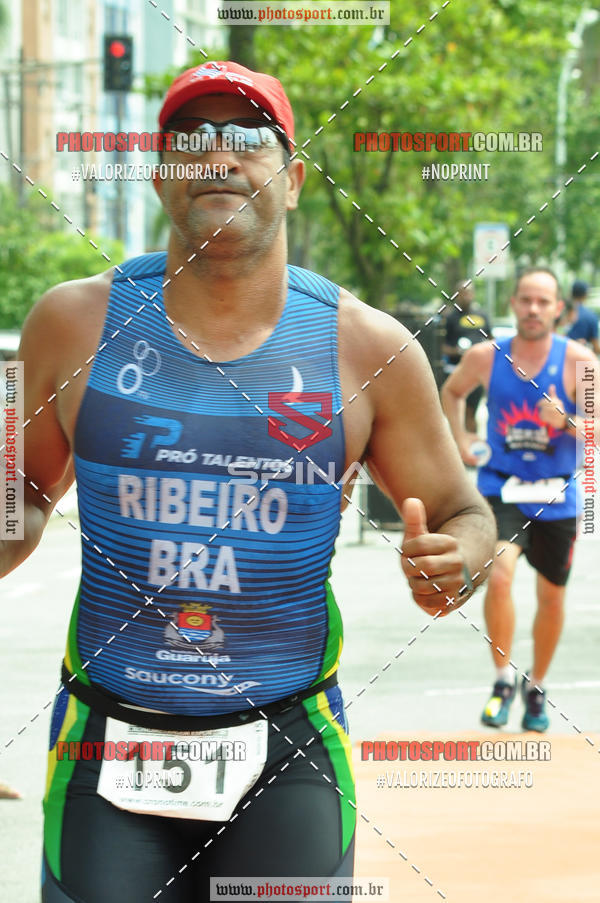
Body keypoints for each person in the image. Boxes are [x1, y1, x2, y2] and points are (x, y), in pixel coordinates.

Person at [1, 61, 495, 902]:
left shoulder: (369, 350)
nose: (217, 157)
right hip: (110, 740)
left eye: (245, 139)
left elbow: (465, 511)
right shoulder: (68, 322)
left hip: (289, 745)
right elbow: (25, 496)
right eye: (191, 140)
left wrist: (458, 562)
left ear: (294, 178)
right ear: (161, 175)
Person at [441, 267, 599, 733]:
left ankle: (537, 687)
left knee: (551, 597)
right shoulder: (487, 356)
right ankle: (502, 680)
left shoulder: (580, 363)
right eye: (526, 300)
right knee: (501, 574)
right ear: (513, 303)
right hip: (501, 487)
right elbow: (451, 393)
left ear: (558, 310)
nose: (533, 309)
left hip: (558, 495)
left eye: (543, 302)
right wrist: (462, 438)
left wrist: (566, 421)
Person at [442, 280, 493, 432]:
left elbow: (492, 340)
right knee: (456, 414)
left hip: (477, 372)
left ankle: (473, 449)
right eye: (462, 293)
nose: (466, 296)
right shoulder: (450, 318)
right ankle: (458, 448)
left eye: (469, 292)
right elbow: (441, 345)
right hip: (455, 370)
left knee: (471, 412)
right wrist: (456, 352)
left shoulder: (482, 315)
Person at [566, 279, 600, 354]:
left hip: (560, 357)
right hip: (580, 360)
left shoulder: (561, 310)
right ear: (585, 295)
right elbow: (596, 347)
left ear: (571, 293)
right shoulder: (591, 316)